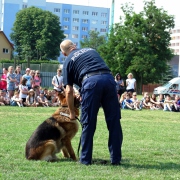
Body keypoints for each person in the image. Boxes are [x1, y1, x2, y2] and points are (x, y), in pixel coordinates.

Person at [60, 39, 123, 165]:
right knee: (114, 122)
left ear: (64, 53)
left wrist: (72, 113)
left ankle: (85, 159)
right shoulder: (91, 50)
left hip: (90, 82)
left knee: (89, 123)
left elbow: (68, 91)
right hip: (109, 80)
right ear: (75, 46)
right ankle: (116, 159)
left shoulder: (67, 61)